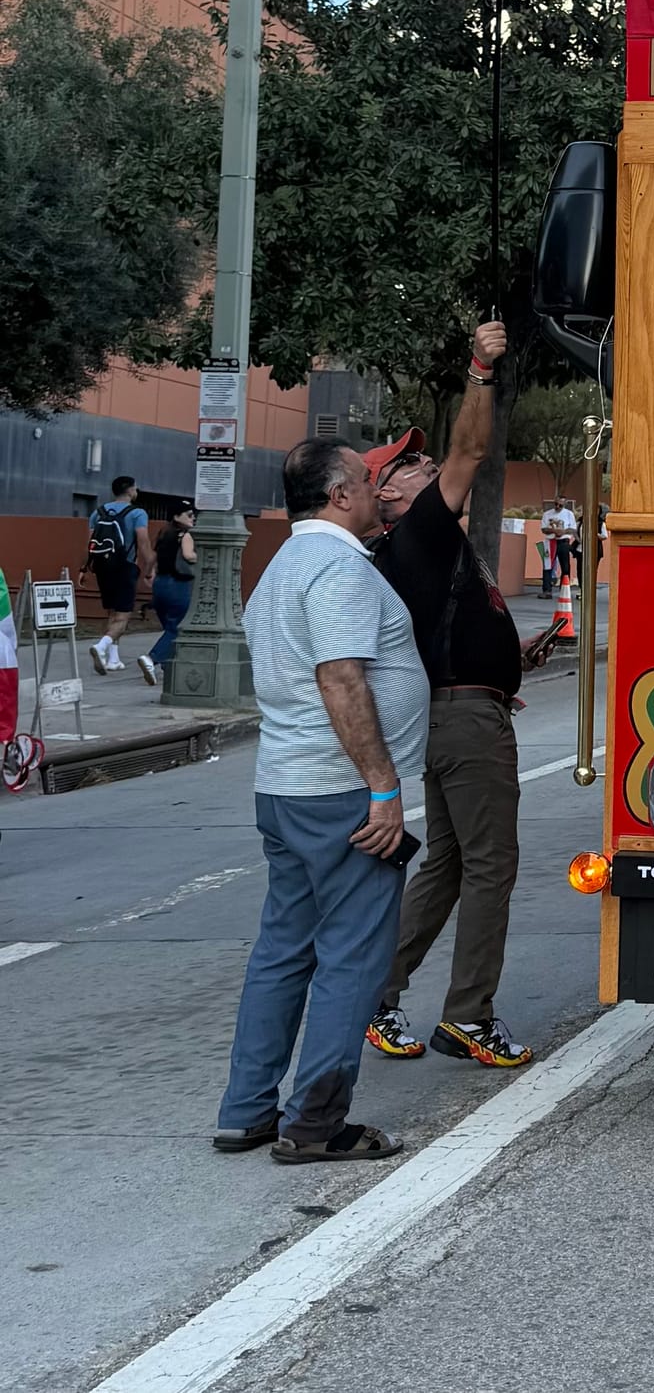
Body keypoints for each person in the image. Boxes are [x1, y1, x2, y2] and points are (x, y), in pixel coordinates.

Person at [214, 439, 427, 1163]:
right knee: (351, 962)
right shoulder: (338, 569)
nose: (378, 493)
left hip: (287, 786)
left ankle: (246, 1112)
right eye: (369, 483)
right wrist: (384, 788)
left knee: (282, 952)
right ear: (340, 495)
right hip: (340, 794)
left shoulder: (284, 565)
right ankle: (315, 1125)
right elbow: (342, 681)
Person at [363, 321, 536, 1071]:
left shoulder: (413, 547)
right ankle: (469, 1016)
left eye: (418, 456)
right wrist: (479, 368)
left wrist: (505, 663)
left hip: (455, 711)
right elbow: (468, 450)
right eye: (407, 464)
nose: (424, 462)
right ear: (387, 497)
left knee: (452, 863)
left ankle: (375, 994)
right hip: (463, 720)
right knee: (492, 864)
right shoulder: (420, 531)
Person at [86, 476, 156, 683]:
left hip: (102, 566)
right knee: (123, 616)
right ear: (130, 490)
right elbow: (142, 541)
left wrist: (85, 567)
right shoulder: (137, 513)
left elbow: (90, 542)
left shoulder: (98, 512)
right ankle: (101, 646)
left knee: (112, 612)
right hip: (125, 566)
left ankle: (113, 659)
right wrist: (150, 566)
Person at [147, 501, 197, 677]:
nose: (193, 518)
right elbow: (188, 555)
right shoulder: (186, 535)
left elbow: (152, 557)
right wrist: (201, 557)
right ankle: (151, 659)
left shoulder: (163, 533)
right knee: (177, 627)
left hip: (160, 584)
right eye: (189, 515)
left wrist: (148, 575)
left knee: (169, 626)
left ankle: (167, 664)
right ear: (177, 517)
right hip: (178, 585)